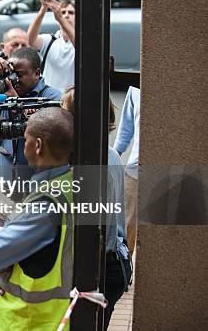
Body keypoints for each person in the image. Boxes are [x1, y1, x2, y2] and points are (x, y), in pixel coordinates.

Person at [0, 107, 75, 331]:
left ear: (38, 145)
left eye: (26, 137)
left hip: (29, 321)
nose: (23, 143)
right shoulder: (71, 182)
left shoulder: (45, 204)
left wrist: (4, 220)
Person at [61, 86, 132, 329]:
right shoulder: (107, 153)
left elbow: (102, 234)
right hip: (111, 264)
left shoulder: (91, 161)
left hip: (102, 268)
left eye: (64, 111)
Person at [27, 0, 76, 93]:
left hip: (71, 99)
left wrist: (60, 18)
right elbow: (30, 40)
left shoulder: (79, 41)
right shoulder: (50, 40)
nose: (66, 15)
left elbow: (81, 47)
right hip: (49, 98)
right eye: (62, 12)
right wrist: (43, 8)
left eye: (71, 12)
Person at [113, 85, 140, 256]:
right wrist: (114, 157)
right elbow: (126, 129)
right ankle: (125, 272)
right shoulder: (135, 90)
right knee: (126, 227)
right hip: (134, 169)